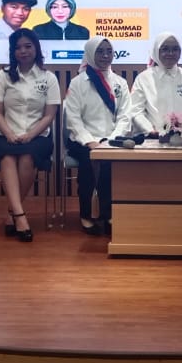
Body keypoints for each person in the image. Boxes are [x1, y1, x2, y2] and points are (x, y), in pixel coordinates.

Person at [0, 27, 61, 242]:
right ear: (13, 51)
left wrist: (30, 134)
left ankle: (13, 213)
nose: (23, 51)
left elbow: (49, 115)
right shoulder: (3, 75)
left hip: (38, 136)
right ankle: (19, 215)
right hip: (6, 134)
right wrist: (9, 133)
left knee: (28, 156)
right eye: (18, 47)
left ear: (36, 48)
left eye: (28, 46)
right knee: (8, 157)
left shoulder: (48, 78)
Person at [64, 37, 133, 236]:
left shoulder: (120, 82)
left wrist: (111, 140)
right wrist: (90, 141)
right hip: (83, 141)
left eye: (109, 51)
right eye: (100, 51)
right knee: (88, 164)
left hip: (111, 140)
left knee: (110, 165)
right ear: (90, 54)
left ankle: (108, 215)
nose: (105, 56)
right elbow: (73, 119)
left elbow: (125, 116)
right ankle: (86, 215)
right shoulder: (77, 83)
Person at [130, 32, 182, 137]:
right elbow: (136, 111)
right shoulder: (143, 79)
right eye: (165, 49)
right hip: (151, 138)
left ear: (180, 52)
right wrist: (150, 130)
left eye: (175, 49)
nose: (170, 53)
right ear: (156, 51)